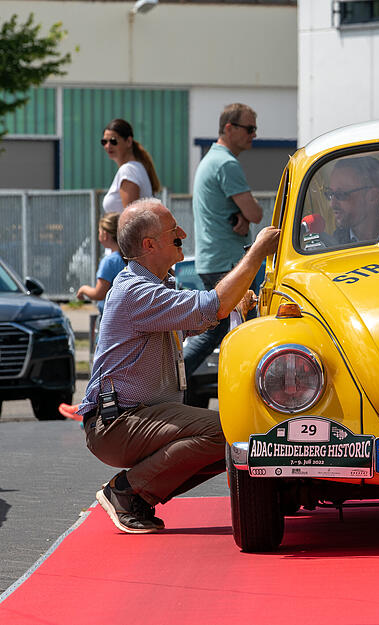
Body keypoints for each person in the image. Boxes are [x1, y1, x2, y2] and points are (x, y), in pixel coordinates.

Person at [77, 198, 280, 533]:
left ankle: (137, 496)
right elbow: (211, 305)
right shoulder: (135, 292)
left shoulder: (156, 286)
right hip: (116, 425)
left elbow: (199, 318)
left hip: (130, 417)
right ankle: (127, 493)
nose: (183, 234)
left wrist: (234, 306)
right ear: (149, 244)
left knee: (227, 443)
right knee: (228, 432)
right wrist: (257, 251)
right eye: (174, 231)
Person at [184, 103, 265, 401]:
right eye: (249, 128)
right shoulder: (226, 164)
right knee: (249, 331)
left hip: (213, 261)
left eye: (255, 129)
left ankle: (168, 382)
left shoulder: (210, 160)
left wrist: (240, 219)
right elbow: (255, 213)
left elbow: (238, 215)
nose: (254, 135)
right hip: (231, 264)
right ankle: (251, 399)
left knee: (213, 332)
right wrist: (245, 218)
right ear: (229, 128)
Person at [328, 156, 379, 242]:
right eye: (330, 193)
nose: (332, 204)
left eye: (341, 194)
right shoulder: (325, 251)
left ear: (373, 196)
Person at [100, 118, 160, 213]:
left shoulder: (128, 170)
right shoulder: (135, 168)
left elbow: (131, 218)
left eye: (113, 141)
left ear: (128, 141)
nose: (108, 146)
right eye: (104, 142)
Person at [76, 212, 127, 315]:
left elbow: (99, 294)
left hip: (111, 317)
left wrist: (83, 289)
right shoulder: (129, 257)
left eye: (99, 232)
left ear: (105, 234)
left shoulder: (109, 261)